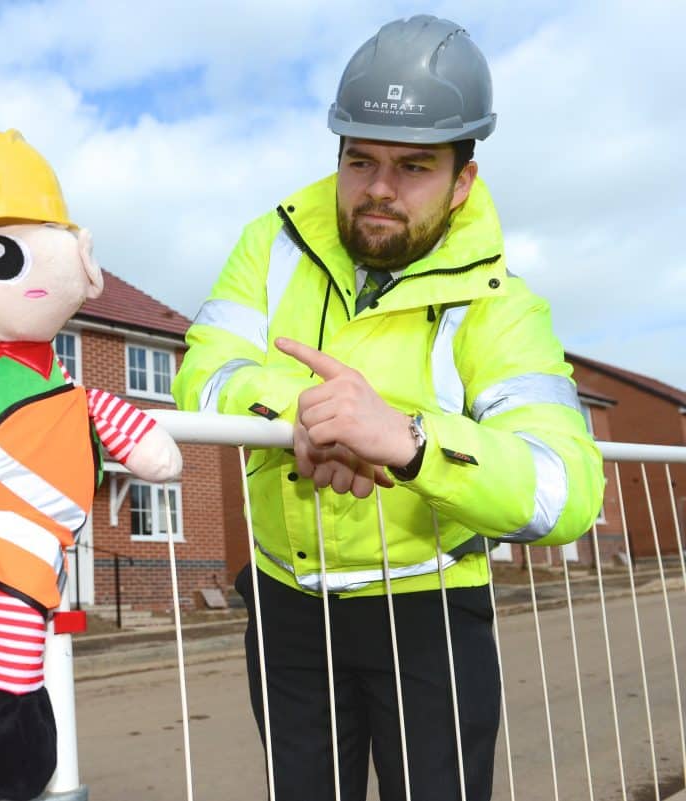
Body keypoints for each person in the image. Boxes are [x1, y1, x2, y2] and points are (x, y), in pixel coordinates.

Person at [172, 14, 604, 801]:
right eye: (359, 158)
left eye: (414, 167)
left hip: (428, 615)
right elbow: (204, 371)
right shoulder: (266, 246)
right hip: (286, 606)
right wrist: (295, 412)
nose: (378, 188)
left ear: (463, 179)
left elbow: (565, 487)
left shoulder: (504, 306)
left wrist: (409, 442)